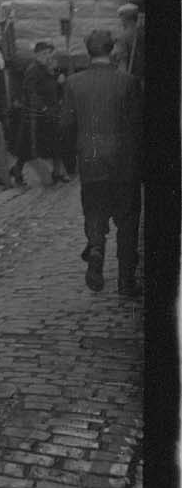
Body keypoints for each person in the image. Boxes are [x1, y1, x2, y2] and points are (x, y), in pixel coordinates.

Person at [58, 28, 142, 297]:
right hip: (123, 163)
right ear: (112, 49)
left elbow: (66, 125)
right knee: (128, 222)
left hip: (91, 161)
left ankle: (95, 249)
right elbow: (139, 126)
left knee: (94, 211)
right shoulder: (128, 82)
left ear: (88, 50)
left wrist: (70, 160)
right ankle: (126, 282)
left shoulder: (73, 83)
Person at [17, 41, 70, 184]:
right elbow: (30, 92)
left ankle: (57, 171)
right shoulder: (33, 70)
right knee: (28, 146)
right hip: (36, 114)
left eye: (48, 53)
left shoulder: (45, 69)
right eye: (44, 53)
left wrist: (58, 82)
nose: (47, 56)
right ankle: (17, 170)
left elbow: (51, 89)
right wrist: (43, 108)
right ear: (37, 54)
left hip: (49, 113)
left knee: (56, 141)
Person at [113, 3, 145, 81]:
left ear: (124, 18)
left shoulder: (122, 37)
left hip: (131, 80)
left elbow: (122, 64)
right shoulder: (142, 32)